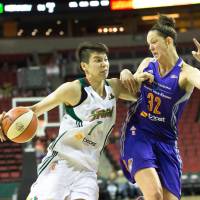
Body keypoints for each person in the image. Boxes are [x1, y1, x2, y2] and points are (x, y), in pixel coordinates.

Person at [0, 41, 153, 200]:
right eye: (97, 60)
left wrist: (128, 72)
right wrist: (6, 121)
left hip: (88, 169)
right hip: (61, 163)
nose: (104, 64)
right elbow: (34, 110)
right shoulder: (73, 89)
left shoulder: (113, 87)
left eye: (106, 59)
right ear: (84, 66)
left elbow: (141, 92)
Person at [120, 15, 200, 200]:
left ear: (168, 41)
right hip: (138, 133)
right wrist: (126, 73)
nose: (150, 47)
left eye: (154, 42)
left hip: (167, 141)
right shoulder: (147, 64)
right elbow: (130, 88)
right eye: (149, 44)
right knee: (154, 195)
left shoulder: (187, 73)